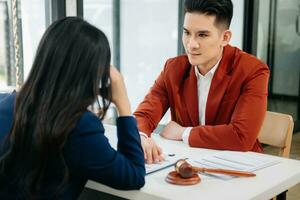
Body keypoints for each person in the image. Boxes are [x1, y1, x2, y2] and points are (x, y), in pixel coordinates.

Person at [0, 17, 145, 199]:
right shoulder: (79, 126)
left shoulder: (4, 103)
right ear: (92, 76)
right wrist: (124, 106)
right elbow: (134, 175)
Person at [134, 0, 270, 164]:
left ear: (225, 37)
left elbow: (241, 136)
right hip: (190, 164)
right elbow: (144, 115)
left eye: (202, 35)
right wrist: (140, 137)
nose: (191, 44)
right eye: (187, 33)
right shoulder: (174, 68)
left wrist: (184, 133)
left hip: (242, 167)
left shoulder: (252, 70)